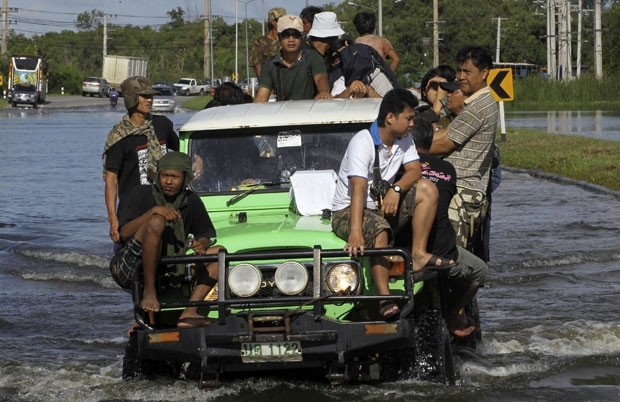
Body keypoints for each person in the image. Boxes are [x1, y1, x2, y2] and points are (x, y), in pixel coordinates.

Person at [331, 88, 454, 321]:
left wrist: (396, 190)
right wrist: (356, 233)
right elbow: (358, 190)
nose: (412, 124)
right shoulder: (363, 142)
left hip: (379, 206)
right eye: (408, 118)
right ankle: (384, 298)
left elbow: (415, 171)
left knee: (428, 189)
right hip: (348, 211)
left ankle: (418, 254)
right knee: (380, 229)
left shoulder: (403, 139)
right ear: (390, 118)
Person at [110, 152, 223, 328]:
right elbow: (123, 234)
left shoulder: (191, 201)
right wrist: (153, 212)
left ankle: (190, 312)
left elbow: (205, 234)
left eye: (175, 177)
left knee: (220, 253)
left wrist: (202, 243)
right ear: (158, 176)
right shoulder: (140, 194)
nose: (168, 182)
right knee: (156, 222)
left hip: (169, 269)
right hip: (133, 266)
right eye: (164, 176)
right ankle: (149, 291)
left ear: (185, 178)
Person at [411, 118, 487, 336]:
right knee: (479, 271)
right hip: (442, 250)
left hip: (403, 249)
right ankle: (454, 313)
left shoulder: (399, 167)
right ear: (430, 141)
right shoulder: (446, 169)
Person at [429, 46, 499, 251]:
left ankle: (470, 278)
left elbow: (443, 145)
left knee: (451, 256)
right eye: (459, 71)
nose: (460, 77)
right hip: (456, 189)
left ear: (484, 73)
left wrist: (407, 148)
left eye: (467, 72)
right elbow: (445, 133)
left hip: (463, 193)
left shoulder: (479, 106)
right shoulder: (473, 104)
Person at [103, 76, 179, 244]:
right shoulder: (118, 137)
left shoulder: (163, 125)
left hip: (166, 204)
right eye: (144, 96)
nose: (149, 99)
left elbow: (180, 154)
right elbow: (111, 180)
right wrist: (113, 220)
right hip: (133, 212)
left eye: (151, 96)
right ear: (132, 99)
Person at [254, 14, 331, 102]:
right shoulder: (271, 64)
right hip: (283, 113)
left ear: (302, 37)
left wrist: (323, 92)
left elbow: (321, 78)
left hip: (309, 113)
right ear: (279, 37)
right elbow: (261, 97)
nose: (291, 39)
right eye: (286, 35)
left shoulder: (312, 57)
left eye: (296, 35)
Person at [249, 7, 287, 79]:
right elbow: (257, 66)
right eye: (282, 20)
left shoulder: (288, 39)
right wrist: (265, 86)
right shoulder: (260, 42)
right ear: (273, 22)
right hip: (270, 83)